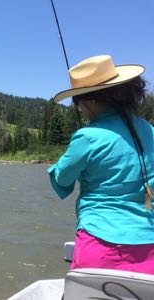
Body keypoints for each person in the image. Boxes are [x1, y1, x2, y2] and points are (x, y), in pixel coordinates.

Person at [48, 55, 154, 274]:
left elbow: (62, 179)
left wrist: (58, 165)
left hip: (100, 244)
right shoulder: (151, 131)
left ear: (93, 100)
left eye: (77, 100)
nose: (78, 107)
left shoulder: (87, 137)